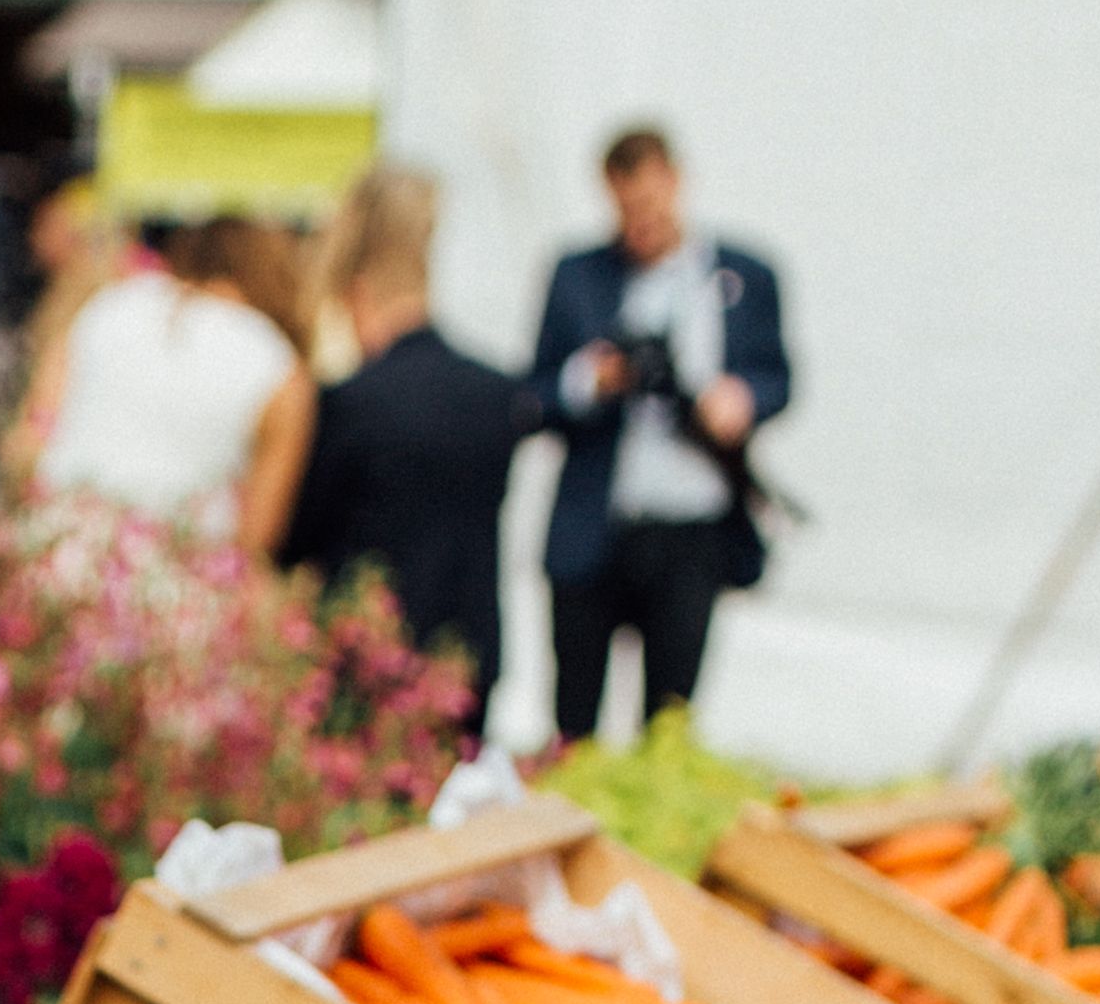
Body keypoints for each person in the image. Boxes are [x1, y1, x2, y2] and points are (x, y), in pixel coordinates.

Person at [529, 125, 788, 746]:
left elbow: (778, 377)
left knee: (670, 719)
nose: (638, 221)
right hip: (600, 526)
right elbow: (533, 397)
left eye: (648, 203)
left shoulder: (744, 277)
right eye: (624, 207)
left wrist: (738, 399)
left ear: (675, 181)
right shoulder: (579, 276)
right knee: (574, 719)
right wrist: (592, 380)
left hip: (692, 529)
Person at [280, 169, 532, 728]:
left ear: (356, 291)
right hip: (468, 660)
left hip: (368, 662)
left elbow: (298, 540)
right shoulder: (496, 396)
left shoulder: (347, 404)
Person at [27, 217, 309, 555]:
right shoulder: (277, 364)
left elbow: (28, 443)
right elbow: (256, 539)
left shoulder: (107, 305)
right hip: (181, 577)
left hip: (55, 552)